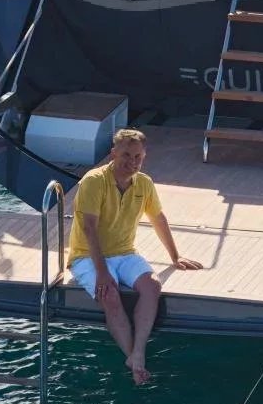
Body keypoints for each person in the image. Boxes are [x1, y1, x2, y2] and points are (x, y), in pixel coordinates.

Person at [66, 128, 202, 384]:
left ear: (144, 156)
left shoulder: (144, 183)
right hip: (87, 255)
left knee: (152, 286)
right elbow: (89, 228)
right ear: (113, 154)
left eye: (138, 156)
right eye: (126, 155)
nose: (132, 162)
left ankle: (137, 352)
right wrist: (102, 273)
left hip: (125, 251)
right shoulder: (94, 181)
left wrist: (175, 256)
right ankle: (134, 361)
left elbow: (158, 218)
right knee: (110, 295)